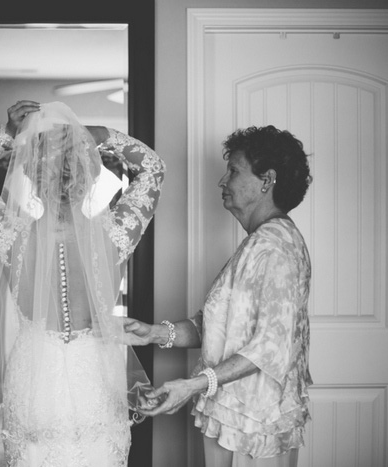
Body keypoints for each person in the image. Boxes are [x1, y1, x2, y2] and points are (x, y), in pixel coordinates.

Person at [0, 100, 166, 467]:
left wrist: (8, 134)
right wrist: (98, 135)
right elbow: (152, 168)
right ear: (89, 176)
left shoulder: (10, 236)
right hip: (95, 374)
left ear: (31, 177)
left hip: (35, 376)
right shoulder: (116, 233)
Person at [125, 125, 313, 466]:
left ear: (266, 180)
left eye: (234, 171)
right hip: (237, 416)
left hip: (255, 424)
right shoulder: (259, 241)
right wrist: (152, 332)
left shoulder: (274, 247)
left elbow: (271, 348)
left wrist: (194, 384)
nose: (222, 181)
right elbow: (214, 326)